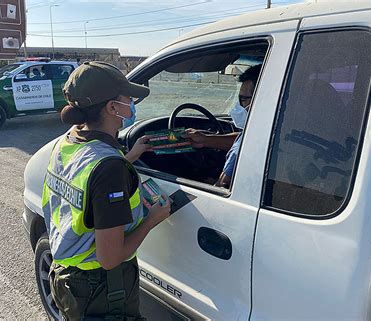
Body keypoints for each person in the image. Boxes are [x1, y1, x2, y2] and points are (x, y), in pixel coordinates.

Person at [42, 61, 171, 320]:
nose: (132, 105)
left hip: (67, 274)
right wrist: (152, 220)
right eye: (129, 99)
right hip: (100, 288)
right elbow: (110, 259)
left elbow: (88, 181)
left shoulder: (67, 143)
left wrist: (128, 157)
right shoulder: (109, 169)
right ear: (113, 107)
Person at [186, 64, 262, 188]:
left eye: (243, 99)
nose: (239, 105)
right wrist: (205, 140)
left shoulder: (246, 148)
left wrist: (211, 184)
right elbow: (243, 141)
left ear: (261, 99)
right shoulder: (264, 133)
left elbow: (223, 185)